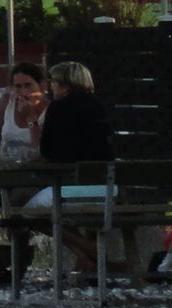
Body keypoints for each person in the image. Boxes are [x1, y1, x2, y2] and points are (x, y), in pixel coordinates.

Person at [36, 60, 116, 272]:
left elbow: (47, 151)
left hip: (71, 189)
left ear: (65, 85)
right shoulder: (99, 107)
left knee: (21, 209)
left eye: (53, 82)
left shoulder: (58, 108)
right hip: (106, 190)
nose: (50, 87)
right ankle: (89, 259)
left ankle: (88, 249)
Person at [0, 63, 47, 163]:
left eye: (28, 85)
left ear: (41, 85)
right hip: (7, 166)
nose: (23, 91)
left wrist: (30, 116)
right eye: (18, 86)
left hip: (36, 167)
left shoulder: (50, 109)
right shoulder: (7, 102)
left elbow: (40, 148)